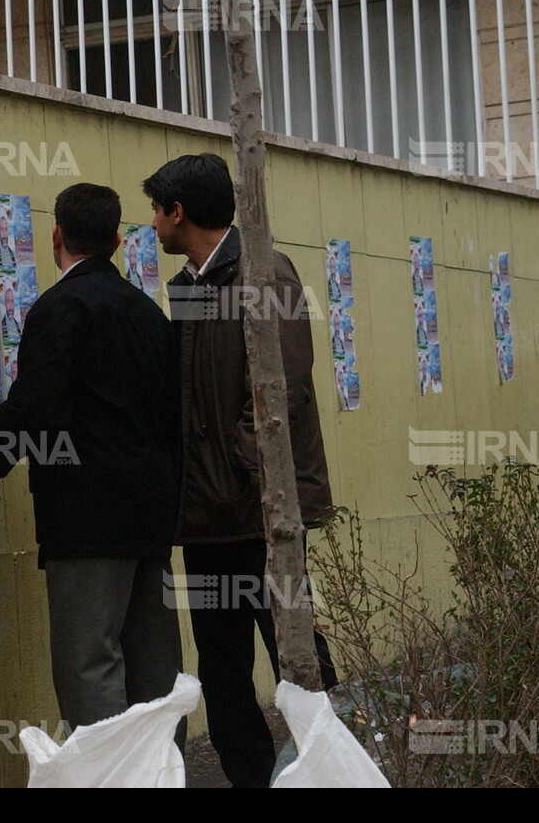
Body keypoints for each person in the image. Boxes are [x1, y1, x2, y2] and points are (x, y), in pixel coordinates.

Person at [0, 182, 183, 741]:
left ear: (56, 234)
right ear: (114, 240)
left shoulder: (59, 309)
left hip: (86, 519)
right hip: (152, 517)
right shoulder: (149, 314)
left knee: (90, 665)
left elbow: (35, 406)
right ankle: (162, 777)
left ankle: (107, 779)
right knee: (155, 671)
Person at [146, 153, 336, 788]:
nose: (151, 224)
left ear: (180, 212)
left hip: (260, 511)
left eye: (157, 210)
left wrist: (241, 463)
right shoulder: (189, 285)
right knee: (222, 674)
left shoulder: (263, 272)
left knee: (298, 663)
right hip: (206, 516)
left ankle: (336, 770)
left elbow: (284, 391)